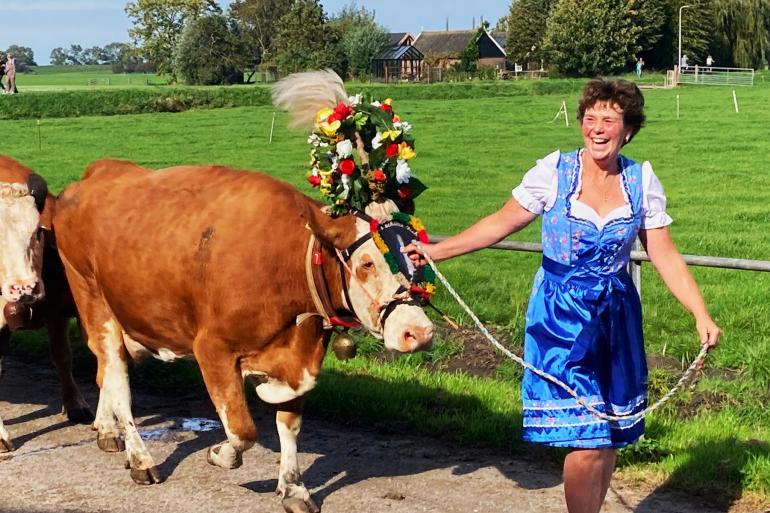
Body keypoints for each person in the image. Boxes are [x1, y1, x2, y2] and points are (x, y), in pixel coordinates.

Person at [404, 78, 721, 513]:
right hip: (560, 318)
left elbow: (663, 253)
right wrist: (437, 250)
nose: (597, 128)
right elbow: (501, 222)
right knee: (587, 436)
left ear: (628, 128)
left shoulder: (640, 180)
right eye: (590, 118)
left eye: (608, 119)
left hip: (616, 315)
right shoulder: (553, 172)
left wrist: (700, 313)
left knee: (608, 435)